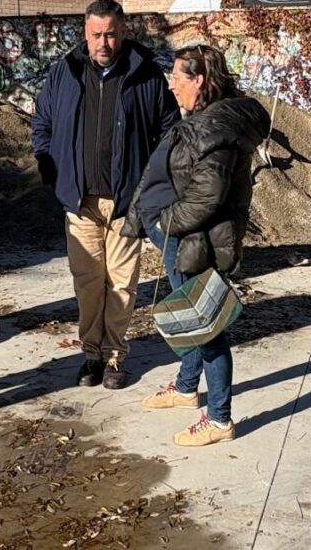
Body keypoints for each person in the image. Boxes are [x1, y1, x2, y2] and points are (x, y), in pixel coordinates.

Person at [123, 44, 270, 446]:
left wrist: (164, 221)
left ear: (199, 80)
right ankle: (187, 387)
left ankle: (220, 419)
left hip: (192, 239)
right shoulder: (207, 120)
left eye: (176, 78)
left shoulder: (216, 129)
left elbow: (208, 196)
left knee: (206, 328)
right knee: (190, 317)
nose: (171, 85)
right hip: (179, 234)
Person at [31, 0, 179, 390]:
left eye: (111, 34)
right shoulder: (64, 73)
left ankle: (114, 356)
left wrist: (153, 184)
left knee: (122, 283)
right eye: (96, 34)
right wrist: (50, 168)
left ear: (123, 32)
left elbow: (169, 130)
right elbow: (42, 122)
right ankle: (91, 355)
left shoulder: (145, 74)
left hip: (126, 202)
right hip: (80, 201)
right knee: (88, 282)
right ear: (85, 32)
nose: (103, 43)